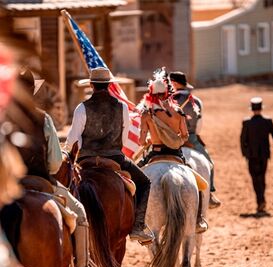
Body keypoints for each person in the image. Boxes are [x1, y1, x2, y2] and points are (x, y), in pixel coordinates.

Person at [15, 70, 97, 267]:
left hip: (9, 186)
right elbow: (54, 163)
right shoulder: (43, 118)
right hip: (41, 182)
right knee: (79, 213)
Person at [64, 66, 153, 244]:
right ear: (109, 85)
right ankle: (137, 227)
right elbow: (126, 138)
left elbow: (73, 141)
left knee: (65, 186)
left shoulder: (82, 108)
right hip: (115, 158)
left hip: (85, 160)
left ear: (91, 85)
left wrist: (70, 153)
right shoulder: (121, 107)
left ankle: (67, 230)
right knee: (144, 182)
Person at [138, 76, 208, 233]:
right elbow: (184, 136)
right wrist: (172, 137)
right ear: (167, 93)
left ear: (151, 93)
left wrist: (151, 139)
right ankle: (198, 220)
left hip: (155, 154)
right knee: (197, 184)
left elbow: (142, 141)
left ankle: (138, 222)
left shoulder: (147, 114)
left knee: (135, 182)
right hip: (177, 155)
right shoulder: (178, 112)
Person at [169, 71, 221, 209]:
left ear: (173, 83)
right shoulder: (196, 101)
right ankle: (209, 195)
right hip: (191, 137)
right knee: (209, 164)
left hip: (170, 139)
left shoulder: (166, 100)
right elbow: (198, 127)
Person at [240, 97, 273, 213]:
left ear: (252, 109)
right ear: (261, 108)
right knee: (262, 178)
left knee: (255, 179)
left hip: (252, 156)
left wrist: (245, 153)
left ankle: (260, 201)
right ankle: (262, 200)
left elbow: (242, 139)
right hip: (264, 155)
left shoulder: (247, 122)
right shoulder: (268, 121)